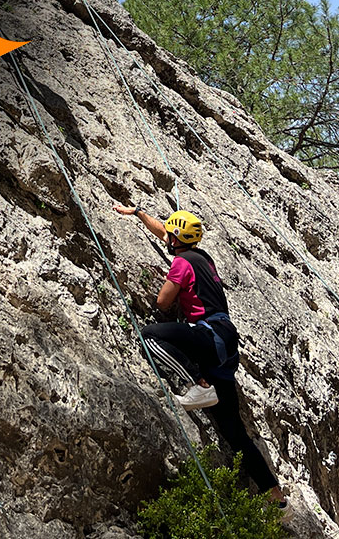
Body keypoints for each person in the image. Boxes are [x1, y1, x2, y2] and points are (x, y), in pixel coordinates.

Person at [114, 205, 288, 509]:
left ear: (176, 239)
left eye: (170, 234)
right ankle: (276, 496)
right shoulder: (203, 258)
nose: (166, 236)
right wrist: (139, 213)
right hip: (224, 341)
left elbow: (163, 301)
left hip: (208, 336)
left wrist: (171, 287)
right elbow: (167, 232)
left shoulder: (181, 263)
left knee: (150, 334)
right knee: (234, 430)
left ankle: (198, 382)